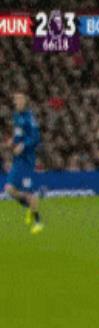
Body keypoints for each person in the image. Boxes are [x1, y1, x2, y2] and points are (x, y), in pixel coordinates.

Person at [4, 91, 44, 234]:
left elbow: (36, 138)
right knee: (9, 189)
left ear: (25, 102)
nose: (18, 102)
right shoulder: (16, 116)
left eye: (21, 100)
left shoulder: (30, 118)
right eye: (16, 100)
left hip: (27, 161)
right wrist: (12, 142)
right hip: (17, 160)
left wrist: (23, 145)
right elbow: (18, 134)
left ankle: (38, 222)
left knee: (29, 192)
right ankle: (29, 206)